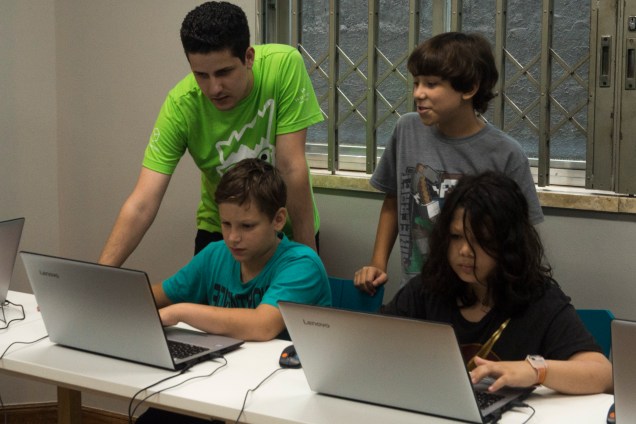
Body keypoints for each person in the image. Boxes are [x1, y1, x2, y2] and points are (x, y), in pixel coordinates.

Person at [99, 1, 323, 268]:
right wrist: (100, 277)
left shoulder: (283, 66)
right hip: (222, 231)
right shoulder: (181, 106)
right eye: (201, 75)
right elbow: (142, 203)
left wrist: (308, 256)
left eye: (224, 72)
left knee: (285, 306)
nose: (214, 88)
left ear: (248, 57)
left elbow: (290, 166)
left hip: (282, 226)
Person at [135, 158, 331, 423]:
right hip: (225, 386)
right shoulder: (216, 253)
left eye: (247, 226)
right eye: (226, 224)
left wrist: (180, 312)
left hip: (283, 400)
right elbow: (161, 293)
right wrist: (114, 299)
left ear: (278, 220)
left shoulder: (301, 264)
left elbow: (262, 326)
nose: (232, 237)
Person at [382, 171, 612, 395]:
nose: (464, 251)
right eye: (456, 237)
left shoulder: (539, 300)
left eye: (480, 240)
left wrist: (535, 370)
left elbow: (603, 374)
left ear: (508, 244)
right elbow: (374, 343)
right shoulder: (428, 288)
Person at [354, 32, 543, 295]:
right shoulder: (407, 129)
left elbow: (520, 237)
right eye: (416, 82)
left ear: (469, 88)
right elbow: (394, 200)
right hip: (417, 293)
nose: (418, 93)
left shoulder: (506, 154)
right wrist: (378, 262)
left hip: (478, 298)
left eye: (431, 84)